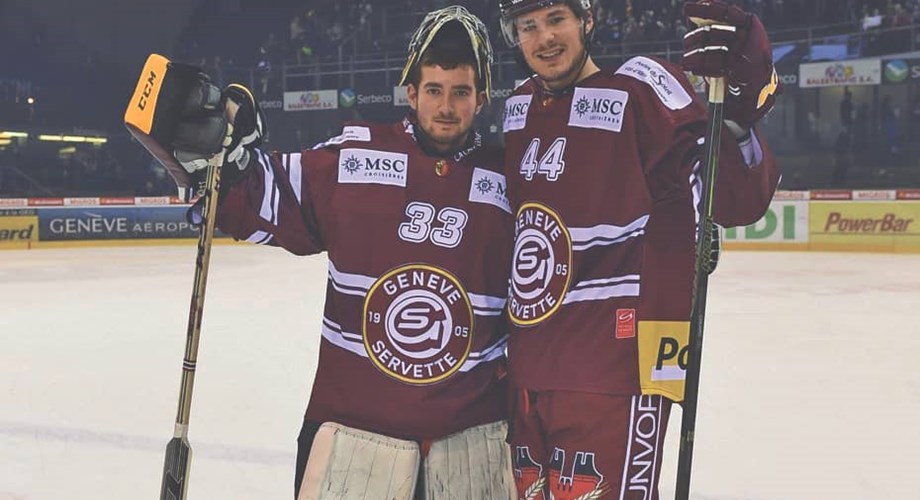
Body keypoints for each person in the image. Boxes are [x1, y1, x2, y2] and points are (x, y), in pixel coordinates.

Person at [171, 6, 516, 499]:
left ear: (481, 99)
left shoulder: (511, 177)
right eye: (434, 91)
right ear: (411, 93)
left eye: (460, 92)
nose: (446, 106)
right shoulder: (358, 158)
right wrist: (225, 160)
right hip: (354, 437)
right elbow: (266, 196)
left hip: (470, 444)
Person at [497, 0, 782, 498]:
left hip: (616, 368)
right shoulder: (516, 107)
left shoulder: (640, 88)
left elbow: (736, 199)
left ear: (587, 20)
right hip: (523, 371)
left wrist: (736, 113)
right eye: (528, 26)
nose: (543, 38)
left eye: (556, 19)